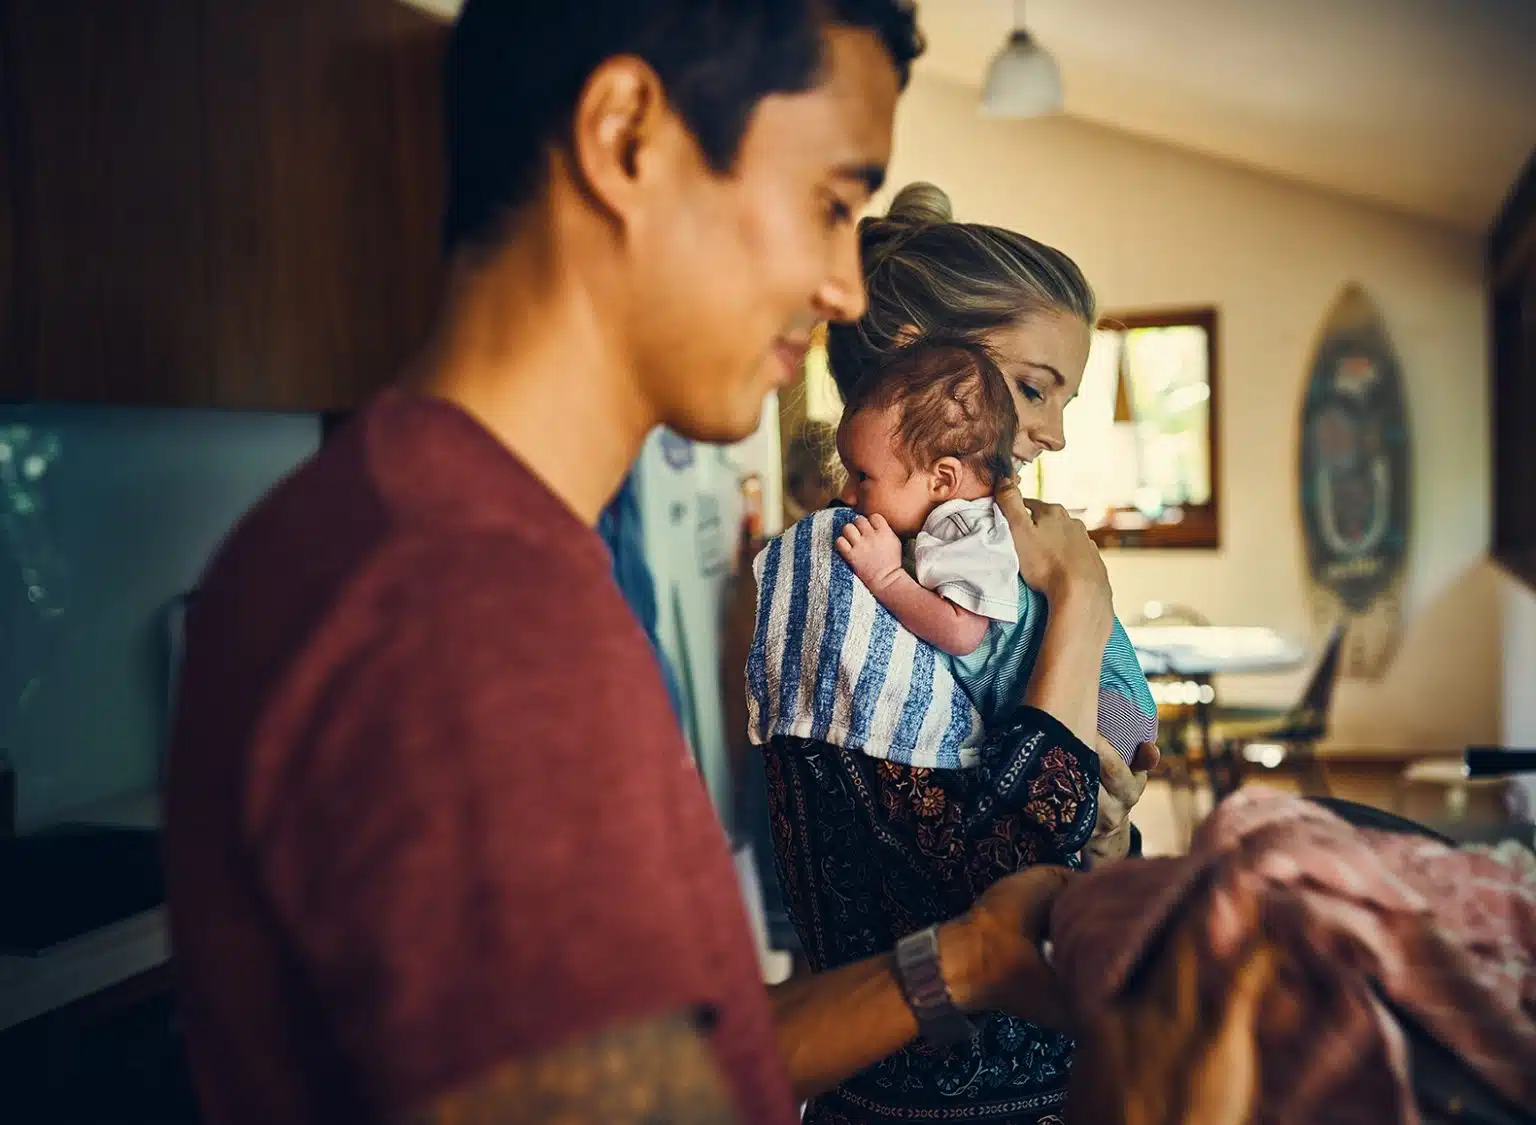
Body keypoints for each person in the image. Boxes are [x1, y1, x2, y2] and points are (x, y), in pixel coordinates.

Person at [161, 6, 1138, 1125]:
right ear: (626, 136)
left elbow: (658, 1061)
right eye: (827, 204)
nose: (846, 290)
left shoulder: (443, 533)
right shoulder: (460, 609)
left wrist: (966, 960)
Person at [760, 182, 1158, 1125]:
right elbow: (1003, 871)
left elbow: (1071, 836)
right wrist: (1081, 601)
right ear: (917, 360)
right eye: (1032, 388)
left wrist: (1112, 834)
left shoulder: (973, 550)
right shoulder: (840, 573)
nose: (1053, 433)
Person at [832, 339, 1157, 762]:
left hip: (1106, 698)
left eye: (863, 476)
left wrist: (887, 578)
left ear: (943, 480)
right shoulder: (953, 525)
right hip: (1085, 693)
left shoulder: (965, 528)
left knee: (1058, 794)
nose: (848, 495)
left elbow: (963, 632)